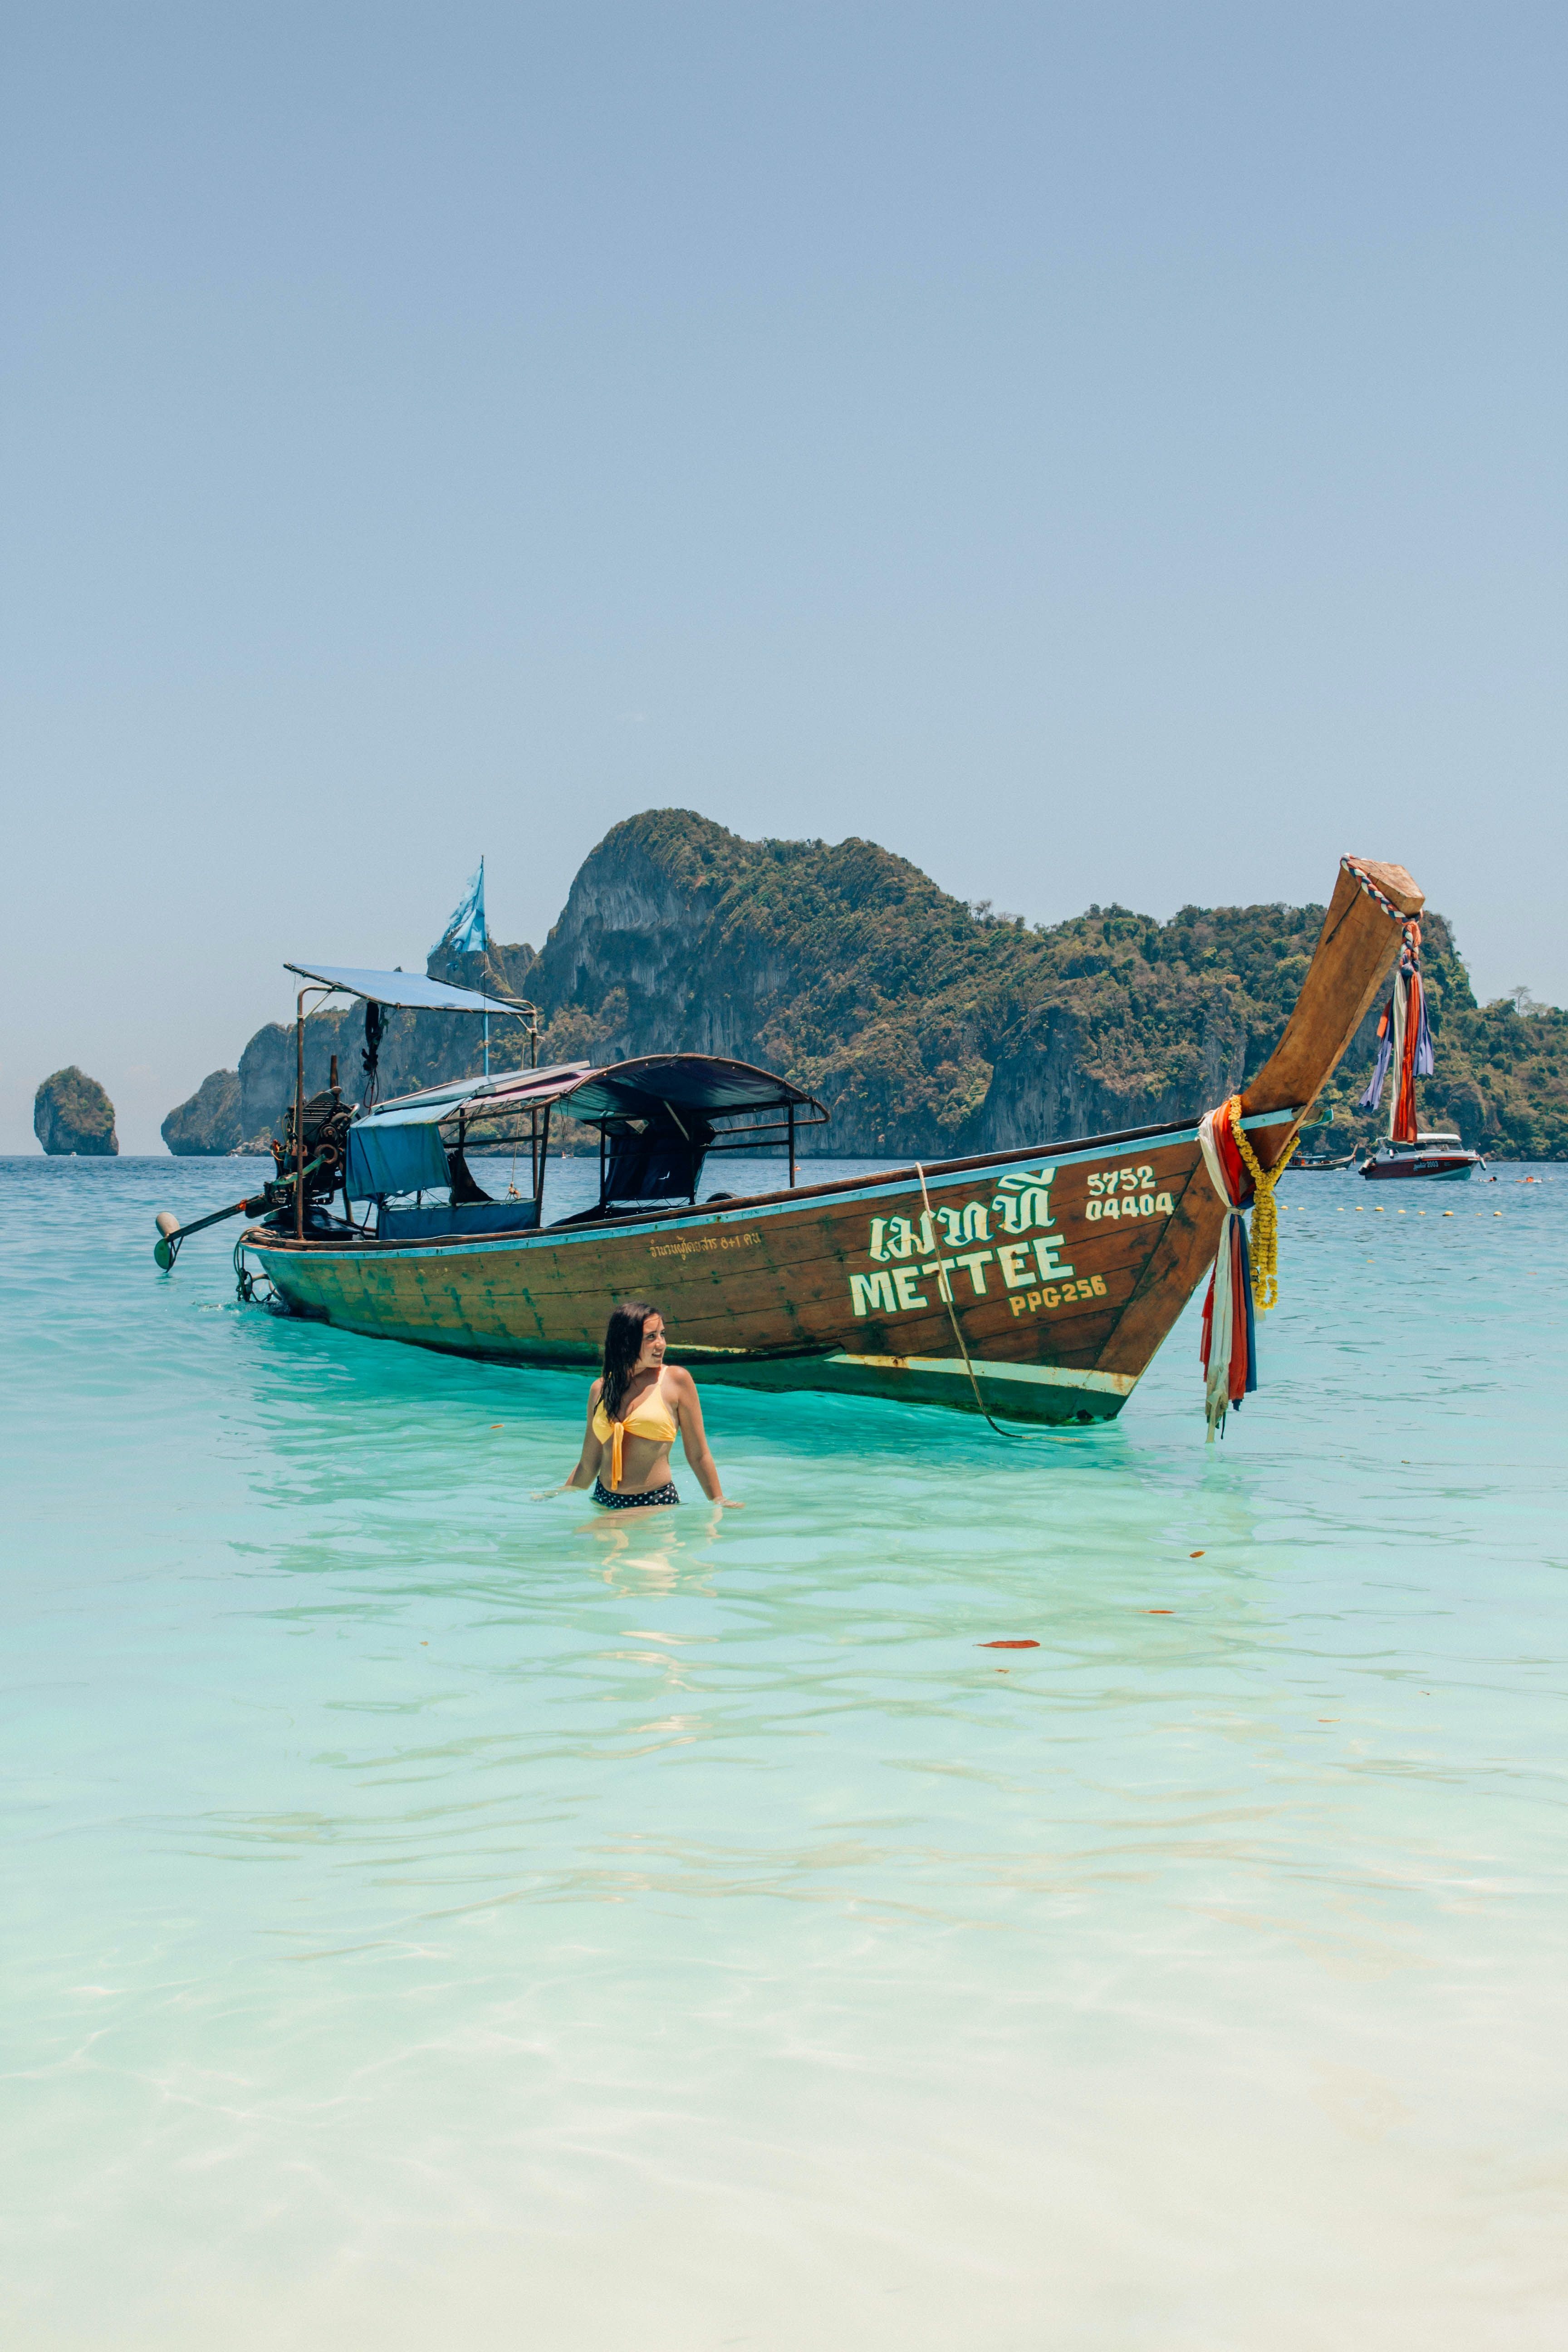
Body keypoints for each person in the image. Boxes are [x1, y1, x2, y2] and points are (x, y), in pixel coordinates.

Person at [557, 1301, 743, 1510]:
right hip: (603, 1499)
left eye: (662, 1335)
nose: (661, 1344)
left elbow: (699, 1455)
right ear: (626, 1341)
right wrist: (557, 1495)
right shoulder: (600, 1389)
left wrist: (719, 1500)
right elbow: (588, 1464)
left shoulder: (676, 1380)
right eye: (651, 1337)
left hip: (654, 1502)